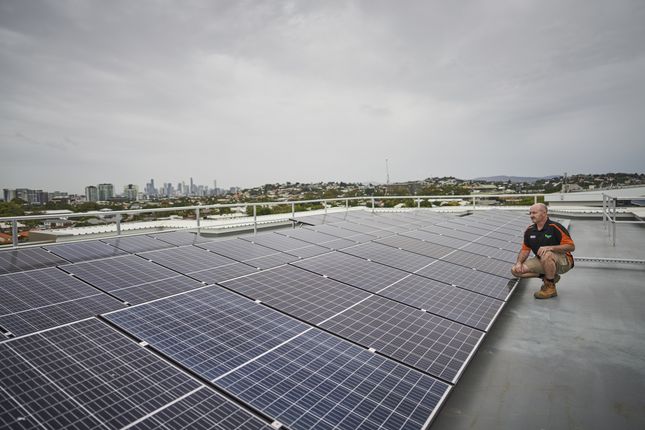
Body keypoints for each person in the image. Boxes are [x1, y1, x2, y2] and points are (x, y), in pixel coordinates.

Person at [511, 203, 575, 299]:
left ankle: (550, 287)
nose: (531, 215)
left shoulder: (555, 227)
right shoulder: (530, 230)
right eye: (530, 213)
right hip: (542, 260)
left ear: (544, 213)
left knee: (547, 254)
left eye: (534, 213)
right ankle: (549, 277)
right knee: (515, 271)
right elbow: (525, 250)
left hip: (563, 261)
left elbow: (571, 246)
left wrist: (551, 248)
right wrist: (519, 263)